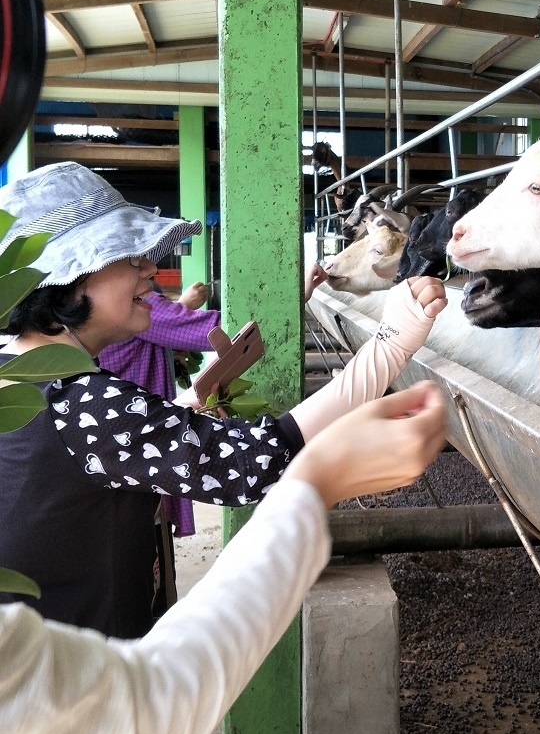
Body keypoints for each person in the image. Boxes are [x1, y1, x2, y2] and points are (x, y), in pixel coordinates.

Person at [0, 161, 447, 638]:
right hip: (85, 688)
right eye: (130, 257)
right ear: (70, 279)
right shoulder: (83, 404)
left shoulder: (19, 375)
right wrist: (390, 346)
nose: (151, 268)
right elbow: (256, 461)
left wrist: (180, 409)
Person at [0, 383, 447, 734]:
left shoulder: (18, 382)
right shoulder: (80, 402)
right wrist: (317, 479)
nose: (144, 275)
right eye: (125, 265)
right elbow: (246, 461)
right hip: (101, 646)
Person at [99, 279, 222, 540]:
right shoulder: (133, 302)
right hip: (143, 453)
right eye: (135, 261)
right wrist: (297, 293)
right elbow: (223, 330)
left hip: (116, 455)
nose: (149, 268)